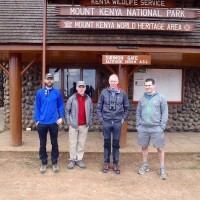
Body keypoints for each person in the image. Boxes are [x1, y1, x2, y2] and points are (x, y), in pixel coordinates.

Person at [96, 74, 130, 174]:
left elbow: (127, 108)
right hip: (106, 122)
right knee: (106, 144)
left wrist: (123, 118)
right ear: (109, 82)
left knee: (116, 144)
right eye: (111, 81)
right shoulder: (104, 92)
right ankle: (106, 163)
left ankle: (115, 164)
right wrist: (101, 119)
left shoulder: (122, 93)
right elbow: (98, 108)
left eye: (115, 81)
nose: (113, 83)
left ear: (118, 81)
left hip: (117, 123)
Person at [136, 78, 168, 180]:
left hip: (156, 128)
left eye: (149, 85)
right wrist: (138, 125)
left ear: (154, 85)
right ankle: (145, 165)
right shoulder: (142, 98)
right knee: (144, 147)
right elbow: (138, 112)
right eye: (146, 85)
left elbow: (165, 112)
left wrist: (162, 126)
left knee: (160, 148)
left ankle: (162, 168)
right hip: (144, 128)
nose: (147, 87)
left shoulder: (160, 98)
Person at [34, 73, 64, 174]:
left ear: (53, 81)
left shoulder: (57, 92)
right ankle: (43, 163)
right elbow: (37, 107)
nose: (49, 80)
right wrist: (37, 120)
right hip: (42, 122)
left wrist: (61, 117)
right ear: (45, 80)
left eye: (51, 79)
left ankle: (54, 162)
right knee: (42, 144)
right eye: (48, 79)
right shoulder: (39, 93)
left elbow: (60, 105)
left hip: (53, 122)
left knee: (54, 143)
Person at [65, 81, 93, 169]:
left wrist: (89, 121)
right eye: (79, 87)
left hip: (84, 125)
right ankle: (73, 159)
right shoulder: (72, 98)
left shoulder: (88, 99)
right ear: (76, 88)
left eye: (83, 87)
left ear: (85, 88)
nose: (81, 89)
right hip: (73, 125)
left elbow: (91, 111)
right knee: (72, 143)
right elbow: (67, 111)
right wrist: (69, 122)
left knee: (81, 143)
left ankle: (79, 159)